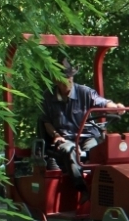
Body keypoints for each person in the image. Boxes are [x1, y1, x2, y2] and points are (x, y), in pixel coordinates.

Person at [39, 58, 123, 193]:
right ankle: (83, 190)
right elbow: (46, 121)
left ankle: (106, 188)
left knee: (99, 151)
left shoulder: (85, 92)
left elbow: (103, 103)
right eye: (64, 78)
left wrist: (115, 107)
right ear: (56, 80)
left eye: (70, 77)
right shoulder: (48, 97)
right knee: (70, 150)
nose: (68, 80)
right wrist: (56, 135)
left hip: (87, 136)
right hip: (65, 139)